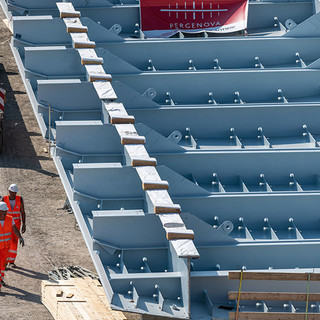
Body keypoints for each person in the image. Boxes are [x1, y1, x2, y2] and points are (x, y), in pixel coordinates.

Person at [0, 201, 24, 291]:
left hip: (5, 248)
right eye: (4, 211)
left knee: (2, 265)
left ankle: (1, 279)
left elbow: (15, 229)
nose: (5, 213)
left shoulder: (10, 219)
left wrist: (20, 237)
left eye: (6, 211)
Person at [3, 184, 26, 267]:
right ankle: (4, 261)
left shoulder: (20, 199)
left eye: (15, 193)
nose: (14, 194)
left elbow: (22, 212)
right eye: (12, 192)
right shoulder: (4, 199)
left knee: (14, 241)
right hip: (6, 223)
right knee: (5, 242)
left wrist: (24, 224)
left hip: (16, 224)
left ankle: (11, 261)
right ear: (9, 191)